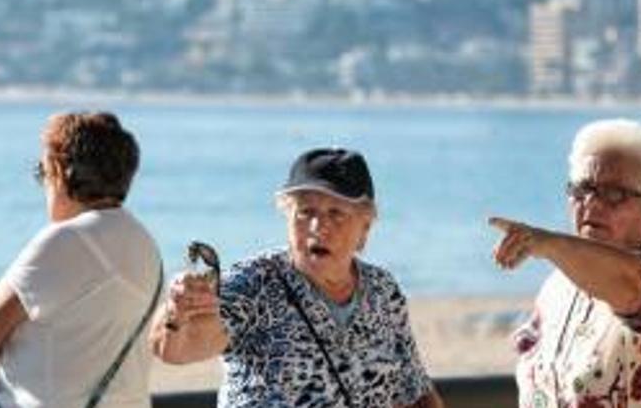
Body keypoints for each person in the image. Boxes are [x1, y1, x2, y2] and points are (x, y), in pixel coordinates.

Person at [151, 147, 444, 408]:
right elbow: (180, 348)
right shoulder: (255, 282)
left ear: (365, 227)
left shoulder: (383, 292)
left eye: (336, 213)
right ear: (288, 216)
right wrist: (179, 313)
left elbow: (415, 390)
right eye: (305, 212)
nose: (318, 226)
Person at [490, 118, 641, 407]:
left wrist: (545, 242)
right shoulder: (557, 288)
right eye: (582, 189)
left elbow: (633, 288)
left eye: (614, 194)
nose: (592, 204)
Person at [0, 111, 162, 408]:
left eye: (41, 173)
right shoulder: (145, 244)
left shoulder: (63, 241)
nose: (43, 184)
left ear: (58, 171)